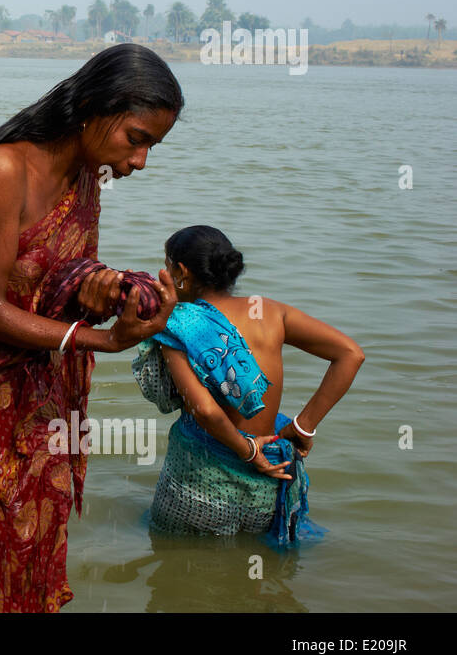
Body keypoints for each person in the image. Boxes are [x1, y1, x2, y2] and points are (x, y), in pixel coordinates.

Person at [0, 44, 183, 612]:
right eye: (137, 139)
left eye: (153, 146)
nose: (141, 161)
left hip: (40, 384)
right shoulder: (4, 169)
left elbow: (63, 278)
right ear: (90, 107)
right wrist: (103, 339)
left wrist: (117, 292)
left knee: (37, 537)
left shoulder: (86, 178)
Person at [134, 225, 364, 544]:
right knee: (253, 574)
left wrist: (248, 451)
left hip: (201, 480)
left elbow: (205, 411)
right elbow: (350, 354)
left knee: (180, 567)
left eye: (167, 264)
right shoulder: (270, 311)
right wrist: (304, 426)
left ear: (181, 271)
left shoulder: (178, 323)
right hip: (269, 479)